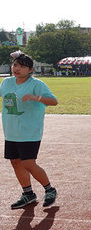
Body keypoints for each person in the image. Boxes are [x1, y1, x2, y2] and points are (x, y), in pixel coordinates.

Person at [1, 51, 59, 209]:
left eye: (21, 66)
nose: (16, 68)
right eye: (15, 65)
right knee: (16, 162)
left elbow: (54, 101)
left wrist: (37, 98)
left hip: (29, 131)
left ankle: (49, 189)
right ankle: (28, 194)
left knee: (28, 163)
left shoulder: (37, 84)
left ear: (31, 70)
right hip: (11, 131)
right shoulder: (6, 83)